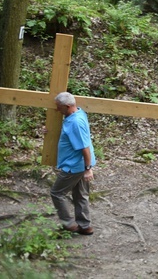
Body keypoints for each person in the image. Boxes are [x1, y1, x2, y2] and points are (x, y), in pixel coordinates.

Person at [50, 92, 96, 235]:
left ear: (68, 106)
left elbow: (84, 147)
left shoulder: (75, 122)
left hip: (75, 166)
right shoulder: (78, 114)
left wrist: (88, 169)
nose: (57, 110)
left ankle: (69, 224)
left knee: (57, 193)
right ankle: (85, 226)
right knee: (80, 195)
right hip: (80, 164)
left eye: (59, 107)